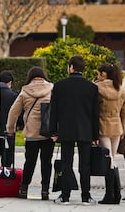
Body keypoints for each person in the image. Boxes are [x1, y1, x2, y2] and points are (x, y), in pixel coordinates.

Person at [49, 55, 99, 205]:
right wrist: (95, 135)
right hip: (86, 130)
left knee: (66, 163)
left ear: (71, 67)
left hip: (66, 130)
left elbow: (54, 112)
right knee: (85, 165)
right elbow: (95, 114)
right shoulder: (92, 88)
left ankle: (65, 196)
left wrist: (54, 132)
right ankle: (86, 196)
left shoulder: (59, 86)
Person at [6, 66, 55, 200]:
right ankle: (45, 191)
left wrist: (10, 130)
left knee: (29, 162)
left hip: (32, 133)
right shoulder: (51, 89)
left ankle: (23, 189)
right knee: (47, 162)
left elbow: (13, 112)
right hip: (48, 133)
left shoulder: (25, 91)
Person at [94, 63, 125, 204]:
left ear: (104, 74)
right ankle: (116, 194)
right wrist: (123, 129)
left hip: (103, 125)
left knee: (109, 160)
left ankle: (110, 194)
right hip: (117, 125)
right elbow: (124, 112)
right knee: (113, 158)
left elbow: (93, 110)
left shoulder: (97, 88)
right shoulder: (120, 88)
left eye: (98, 73)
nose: (97, 76)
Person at [0, 71, 20, 197]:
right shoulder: (13, 95)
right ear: (9, 83)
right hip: (8, 133)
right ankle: (4, 188)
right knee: (7, 164)